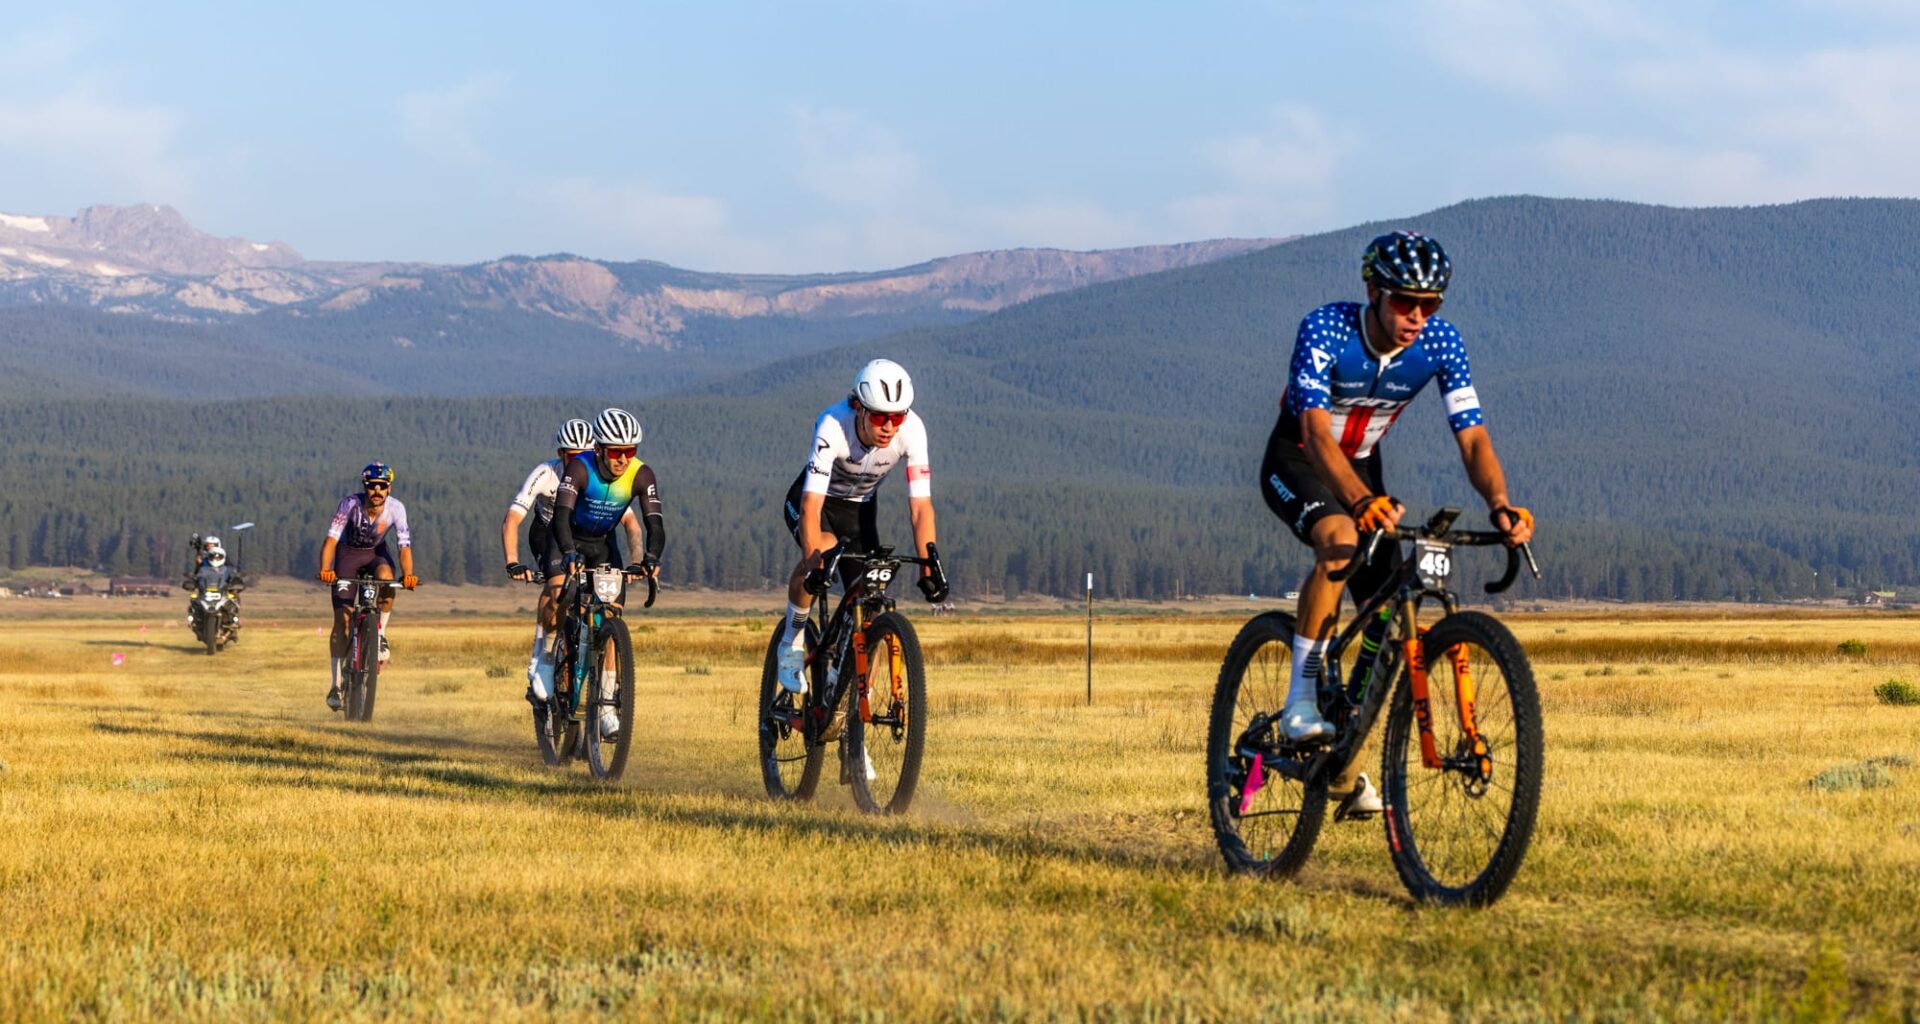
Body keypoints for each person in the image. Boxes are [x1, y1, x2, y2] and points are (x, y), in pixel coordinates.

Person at [1259, 231, 1534, 806]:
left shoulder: (1440, 342)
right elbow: (1315, 433)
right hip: (1300, 458)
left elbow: (1473, 438)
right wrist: (1359, 502)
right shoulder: (1326, 329)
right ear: (1373, 292)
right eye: (1406, 302)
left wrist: (1500, 504)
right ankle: (1301, 699)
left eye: (1430, 304)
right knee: (1340, 541)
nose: (1417, 316)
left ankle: (1346, 755)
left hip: (1363, 466)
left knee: (1386, 610)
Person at [774, 358, 947, 695]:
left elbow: (920, 508)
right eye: (880, 417)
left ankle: (852, 700)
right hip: (816, 502)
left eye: (897, 417)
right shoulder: (833, 424)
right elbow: (811, 505)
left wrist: (929, 564)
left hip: (859, 511)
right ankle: (791, 642)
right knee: (822, 549)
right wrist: (812, 561)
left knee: (872, 599)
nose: (890, 427)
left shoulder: (913, 430)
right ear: (859, 408)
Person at [536, 408, 665, 739]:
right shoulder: (580, 468)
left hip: (603, 545)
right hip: (566, 538)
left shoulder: (641, 474)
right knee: (558, 596)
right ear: (599, 449)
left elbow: (654, 524)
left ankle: (607, 709)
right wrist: (568, 553)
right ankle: (547, 661)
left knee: (609, 617)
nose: (623, 459)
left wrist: (650, 558)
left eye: (630, 451)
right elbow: (560, 516)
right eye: (616, 451)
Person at [505, 417, 641, 699]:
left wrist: (637, 561)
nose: (579, 461)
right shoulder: (546, 473)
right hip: (549, 534)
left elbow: (630, 522)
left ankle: (605, 691)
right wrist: (513, 561)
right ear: (560, 454)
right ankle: (542, 655)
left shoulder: (598, 474)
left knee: (609, 610)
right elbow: (513, 518)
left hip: (593, 539)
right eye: (573, 456)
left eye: (585, 454)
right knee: (557, 589)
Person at [316, 462, 417, 710]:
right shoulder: (350, 504)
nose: (377, 491)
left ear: (389, 488)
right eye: (372, 486)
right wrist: (326, 569)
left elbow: (404, 546)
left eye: (382, 486)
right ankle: (335, 685)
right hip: (348, 554)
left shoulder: (396, 508)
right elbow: (331, 540)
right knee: (343, 620)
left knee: (387, 578)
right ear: (365, 487)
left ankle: (379, 635)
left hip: (375, 553)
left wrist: (408, 575)